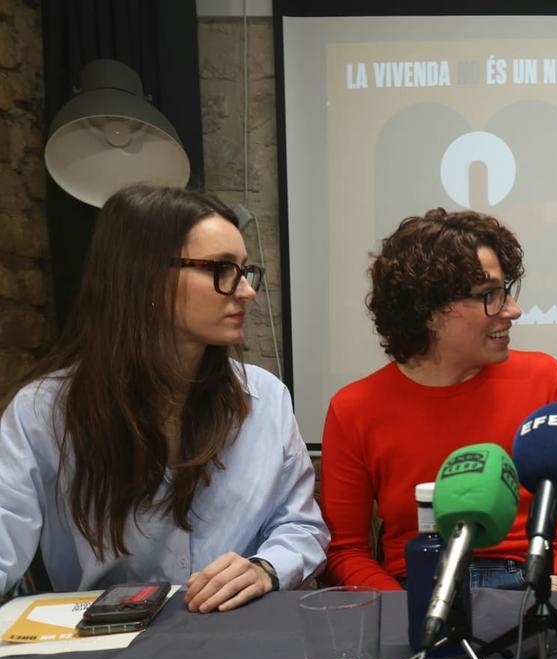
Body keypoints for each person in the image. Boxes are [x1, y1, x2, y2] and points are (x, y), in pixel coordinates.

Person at [0, 184, 329, 610]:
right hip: (105, 650)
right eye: (223, 269)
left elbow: (301, 526)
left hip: (236, 633)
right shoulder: (44, 412)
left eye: (245, 271)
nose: (246, 291)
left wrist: (266, 567)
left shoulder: (265, 398)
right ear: (147, 277)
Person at [319, 208, 557, 592]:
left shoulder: (544, 379)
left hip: (530, 582)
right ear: (428, 311)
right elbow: (345, 551)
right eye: (489, 296)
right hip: (414, 586)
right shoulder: (353, 409)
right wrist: (405, 613)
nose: (512, 310)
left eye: (506, 291)